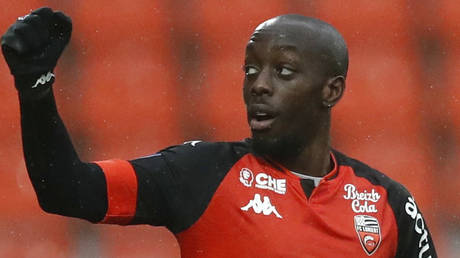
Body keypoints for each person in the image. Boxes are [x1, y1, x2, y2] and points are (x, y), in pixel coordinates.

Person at [2, 7, 437, 258]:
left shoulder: (386, 203)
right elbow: (66, 188)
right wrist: (36, 89)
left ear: (331, 89)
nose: (259, 84)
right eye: (250, 69)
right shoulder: (201, 173)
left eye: (283, 71)